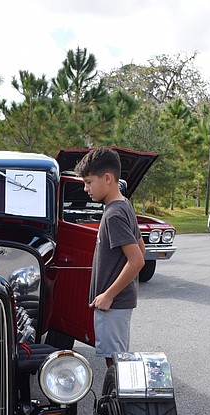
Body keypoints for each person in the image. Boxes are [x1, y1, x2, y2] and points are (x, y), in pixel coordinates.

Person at [74, 147, 146, 367]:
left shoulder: (113, 214)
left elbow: (137, 260)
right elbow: (140, 248)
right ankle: (115, 399)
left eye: (88, 182)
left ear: (107, 178)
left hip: (113, 303)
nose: (86, 188)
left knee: (115, 363)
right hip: (118, 302)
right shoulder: (124, 205)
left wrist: (108, 295)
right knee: (117, 358)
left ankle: (117, 401)